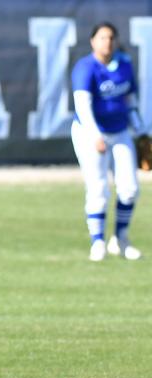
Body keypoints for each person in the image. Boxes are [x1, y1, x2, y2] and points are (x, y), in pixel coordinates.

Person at [71, 22, 147, 262]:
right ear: (93, 41)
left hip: (120, 130)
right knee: (98, 187)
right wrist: (95, 135)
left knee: (130, 188)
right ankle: (97, 243)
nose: (108, 42)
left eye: (111, 37)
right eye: (102, 37)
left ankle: (121, 240)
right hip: (89, 133)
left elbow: (130, 100)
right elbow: (82, 106)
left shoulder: (124, 65)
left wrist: (141, 131)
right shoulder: (85, 67)